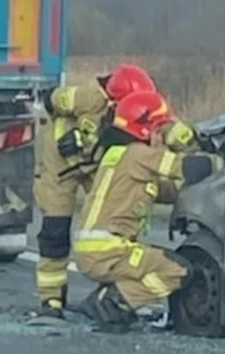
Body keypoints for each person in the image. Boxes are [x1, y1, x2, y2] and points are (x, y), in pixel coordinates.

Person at [71, 89, 225, 332]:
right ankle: (114, 301)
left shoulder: (120, 155)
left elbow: (168, 192)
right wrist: (223, 158)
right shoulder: (138, 154)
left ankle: (112, 298)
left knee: (155, 262)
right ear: (148, 130)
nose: (162, 137)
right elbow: (187, 167)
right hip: (109, 250)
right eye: (160, 130)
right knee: (178, 270)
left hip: (96, 250)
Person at [30, 63, 157, 321]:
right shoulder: (88, 97)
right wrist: (73, 133)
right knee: (55, 228)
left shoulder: (126, 113)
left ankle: (113, 295)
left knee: (113, 216)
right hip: (58, 165)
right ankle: (51, 299)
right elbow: (52, 100)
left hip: (91, 163)